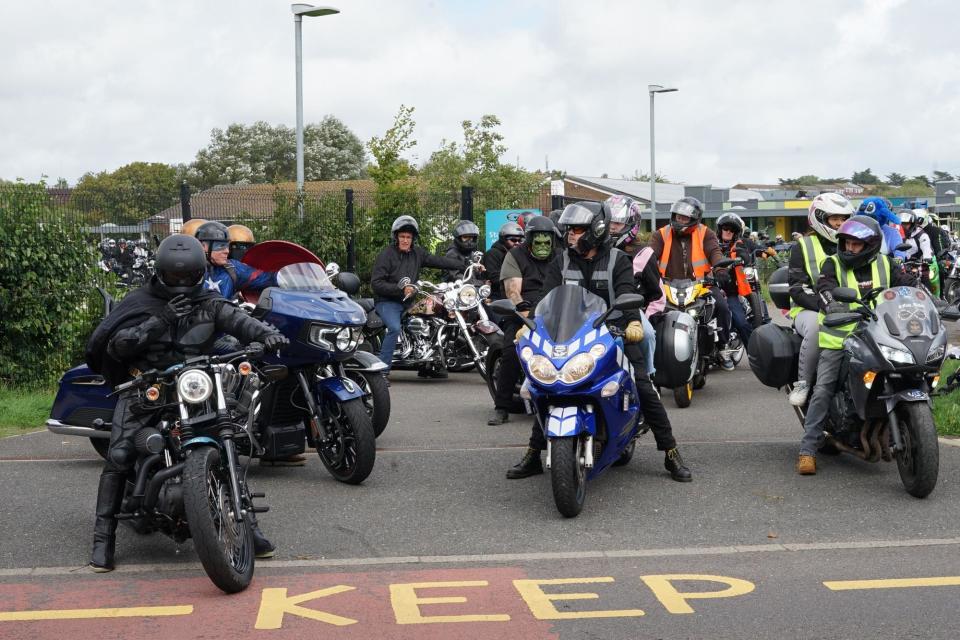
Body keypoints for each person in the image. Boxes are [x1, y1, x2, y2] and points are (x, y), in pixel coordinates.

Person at [83, 234, 290, 571]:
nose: (181, 283)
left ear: (198, 273)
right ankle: (103, 537)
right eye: (174, 276)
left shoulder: (208, 301)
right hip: (146, 387)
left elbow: (238, 319)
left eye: (187, 277)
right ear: (161, 272)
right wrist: (160, 319)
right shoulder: (141, 302)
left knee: (229, 449)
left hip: (195, 386)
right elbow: (118, 346)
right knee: (120, 455)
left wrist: (266, 333)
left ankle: (249, 528)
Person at [506, 201, 692, 482]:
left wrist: (631, 322)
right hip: (571, 337)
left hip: (612, 333)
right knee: (545, 388)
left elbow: (627, 291)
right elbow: (547, 297)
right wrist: (529, 324)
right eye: (569, 230)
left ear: (596, 230)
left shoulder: (618, 259)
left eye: (578, 230)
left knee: (642, 386)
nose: (571, 236)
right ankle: (534, 453)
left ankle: (670, 451)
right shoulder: (562, 260)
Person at [796, 216, 913, 475]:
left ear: (870, 245)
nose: (849, 248)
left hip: (880, 334)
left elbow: (907, 285)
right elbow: (824, 287)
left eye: (855, 244)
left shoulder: (886, 264)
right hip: (839, 337)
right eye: (846, 243)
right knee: (824, 388)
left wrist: (925, 294)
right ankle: (807, 450)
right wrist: (830, 303)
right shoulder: (833, 263)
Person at [370, 215, 467, 380]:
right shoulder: (386, 255)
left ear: (413, 239)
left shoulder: (417, 254)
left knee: (432, 321)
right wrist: (400, 289)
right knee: (393, 328)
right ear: (396, 237)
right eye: (402, 236)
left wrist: (466, 264)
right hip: (387, 302)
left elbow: (439, 261)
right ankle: (382, 373)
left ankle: (429, 365)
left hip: (408, 302)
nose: (405, 240)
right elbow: (376, 283)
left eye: (408, 237)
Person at [487, 216, 559, 425]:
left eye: (547, 242)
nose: (543, 246)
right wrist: (525, 313)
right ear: (529, 240)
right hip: (523, 313)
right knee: (511, 351)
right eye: (538, 242)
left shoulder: (562, 256)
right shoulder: (515, 256)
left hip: (555, 310)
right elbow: (512, 291)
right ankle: (501, 407)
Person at [650, 197, 735, 370]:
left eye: (685, 218)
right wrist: (642, 273)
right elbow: (649, 256)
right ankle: (653, 352)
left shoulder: (706, 233)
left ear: (695, 219)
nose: (680, 220)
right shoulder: (661, 234)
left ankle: (723, 347)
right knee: (651, 314)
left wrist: (720, 270)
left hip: (702, 285)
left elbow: (714, 252)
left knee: (722, 307)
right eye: (678, 216)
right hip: (668, 287)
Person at [786, 193, 853, 407]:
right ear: (821, 218)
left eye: (844, 219)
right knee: (817, 327)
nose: (840, 224)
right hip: (809, 309)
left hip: (849, 307)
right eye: (835, 219)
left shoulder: (852, 244)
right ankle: (803, 383)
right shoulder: (803, 246)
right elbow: (797, 289)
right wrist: (825, 306)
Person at [193, 221, 277, 300]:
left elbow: (267, 279)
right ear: (203, 246)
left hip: (226, 314)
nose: (227, 251)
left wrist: (286, 277)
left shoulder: (233, 268)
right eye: (220, 245)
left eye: (227, 246)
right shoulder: (187, 270)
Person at [714, 212, 756, 348]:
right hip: (707, 290)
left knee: (741, 323)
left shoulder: (738, 247)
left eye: (732, 230)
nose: (728, 232)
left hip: (729, 292)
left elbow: (745, 256)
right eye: (725, 228)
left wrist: (741, 258)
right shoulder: (711, 246)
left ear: (736, 233)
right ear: (720, 230)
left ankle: (754, 355)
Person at [482, 221, 524, 300]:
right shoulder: (492, 254)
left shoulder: (519, 254)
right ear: (503, 239)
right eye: (513, 240)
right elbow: (493, 277)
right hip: (498, 297)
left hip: (518, 294)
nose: (517, 243)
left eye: (520, 240)